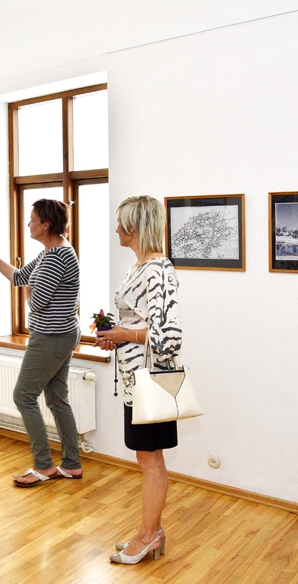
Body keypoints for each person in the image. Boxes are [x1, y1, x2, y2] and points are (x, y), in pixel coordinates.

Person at [0, 199, 83, 487]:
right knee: (56, 398)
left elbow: (38, 302)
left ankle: (44, 465)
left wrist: (33, 293)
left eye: (32, 219)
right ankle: (71, 464)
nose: (28, 224)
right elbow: (19, 277)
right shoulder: (50, 253)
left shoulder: (57, 258)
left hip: (51, 337)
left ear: (46, 225)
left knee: (23, 395)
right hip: (61, 334)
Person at [94, 195, 182, 565]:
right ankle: (151, 532)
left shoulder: (158, 271)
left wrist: (122, 335)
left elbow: (169, 337)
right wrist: (115, 335)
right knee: (146, 457)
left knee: (149, 459)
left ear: (133, 227)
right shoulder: (138, 267)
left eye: (120, 223)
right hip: (136, 379)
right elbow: (138, 323)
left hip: (151, 380)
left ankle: (148, 536)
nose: (115, 229)